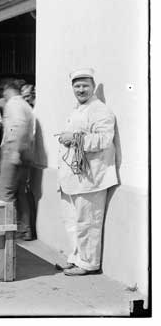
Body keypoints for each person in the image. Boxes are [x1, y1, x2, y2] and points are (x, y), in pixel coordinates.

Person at [56, 68, 117, 276]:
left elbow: (104, 140)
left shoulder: (100, 110)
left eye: (85, 86)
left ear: (93, 87)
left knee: (88, 222)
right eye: (77, 86)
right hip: (74, 177)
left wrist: (74, 138)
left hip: (92, 177)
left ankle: (88, 263)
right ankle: (76, 258)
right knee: (73, 221)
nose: (80, 89)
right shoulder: (78, 109)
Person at [0, 79, 35, 241]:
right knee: (20, 193)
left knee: (5, 194)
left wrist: (14, 152)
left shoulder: (13, 104)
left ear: (7, 91)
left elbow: (19, 126)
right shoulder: (25, 105)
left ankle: (8, 233)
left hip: (14, 150)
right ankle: (25, 229)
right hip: (26, 152)